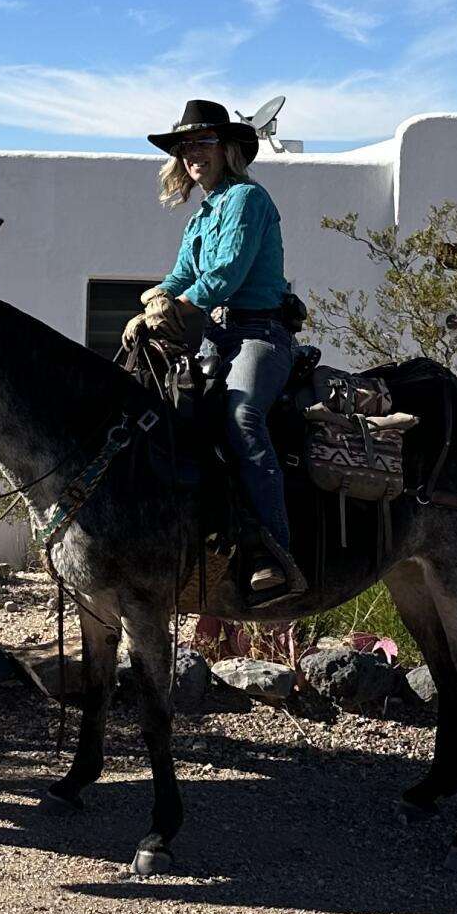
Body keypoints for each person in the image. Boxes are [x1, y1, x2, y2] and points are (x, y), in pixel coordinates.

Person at [144, 97, 304, 600]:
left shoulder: (246, 201)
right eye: (186, 145)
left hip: (260, 335)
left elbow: (226, 274)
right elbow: (183, 275)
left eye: (203, 142)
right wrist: (151, 304)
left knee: (242, 418)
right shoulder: (201, 215)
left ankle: (275, 555)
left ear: (229, 148)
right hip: (216, 336)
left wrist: (179, 304)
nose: (193, 153)